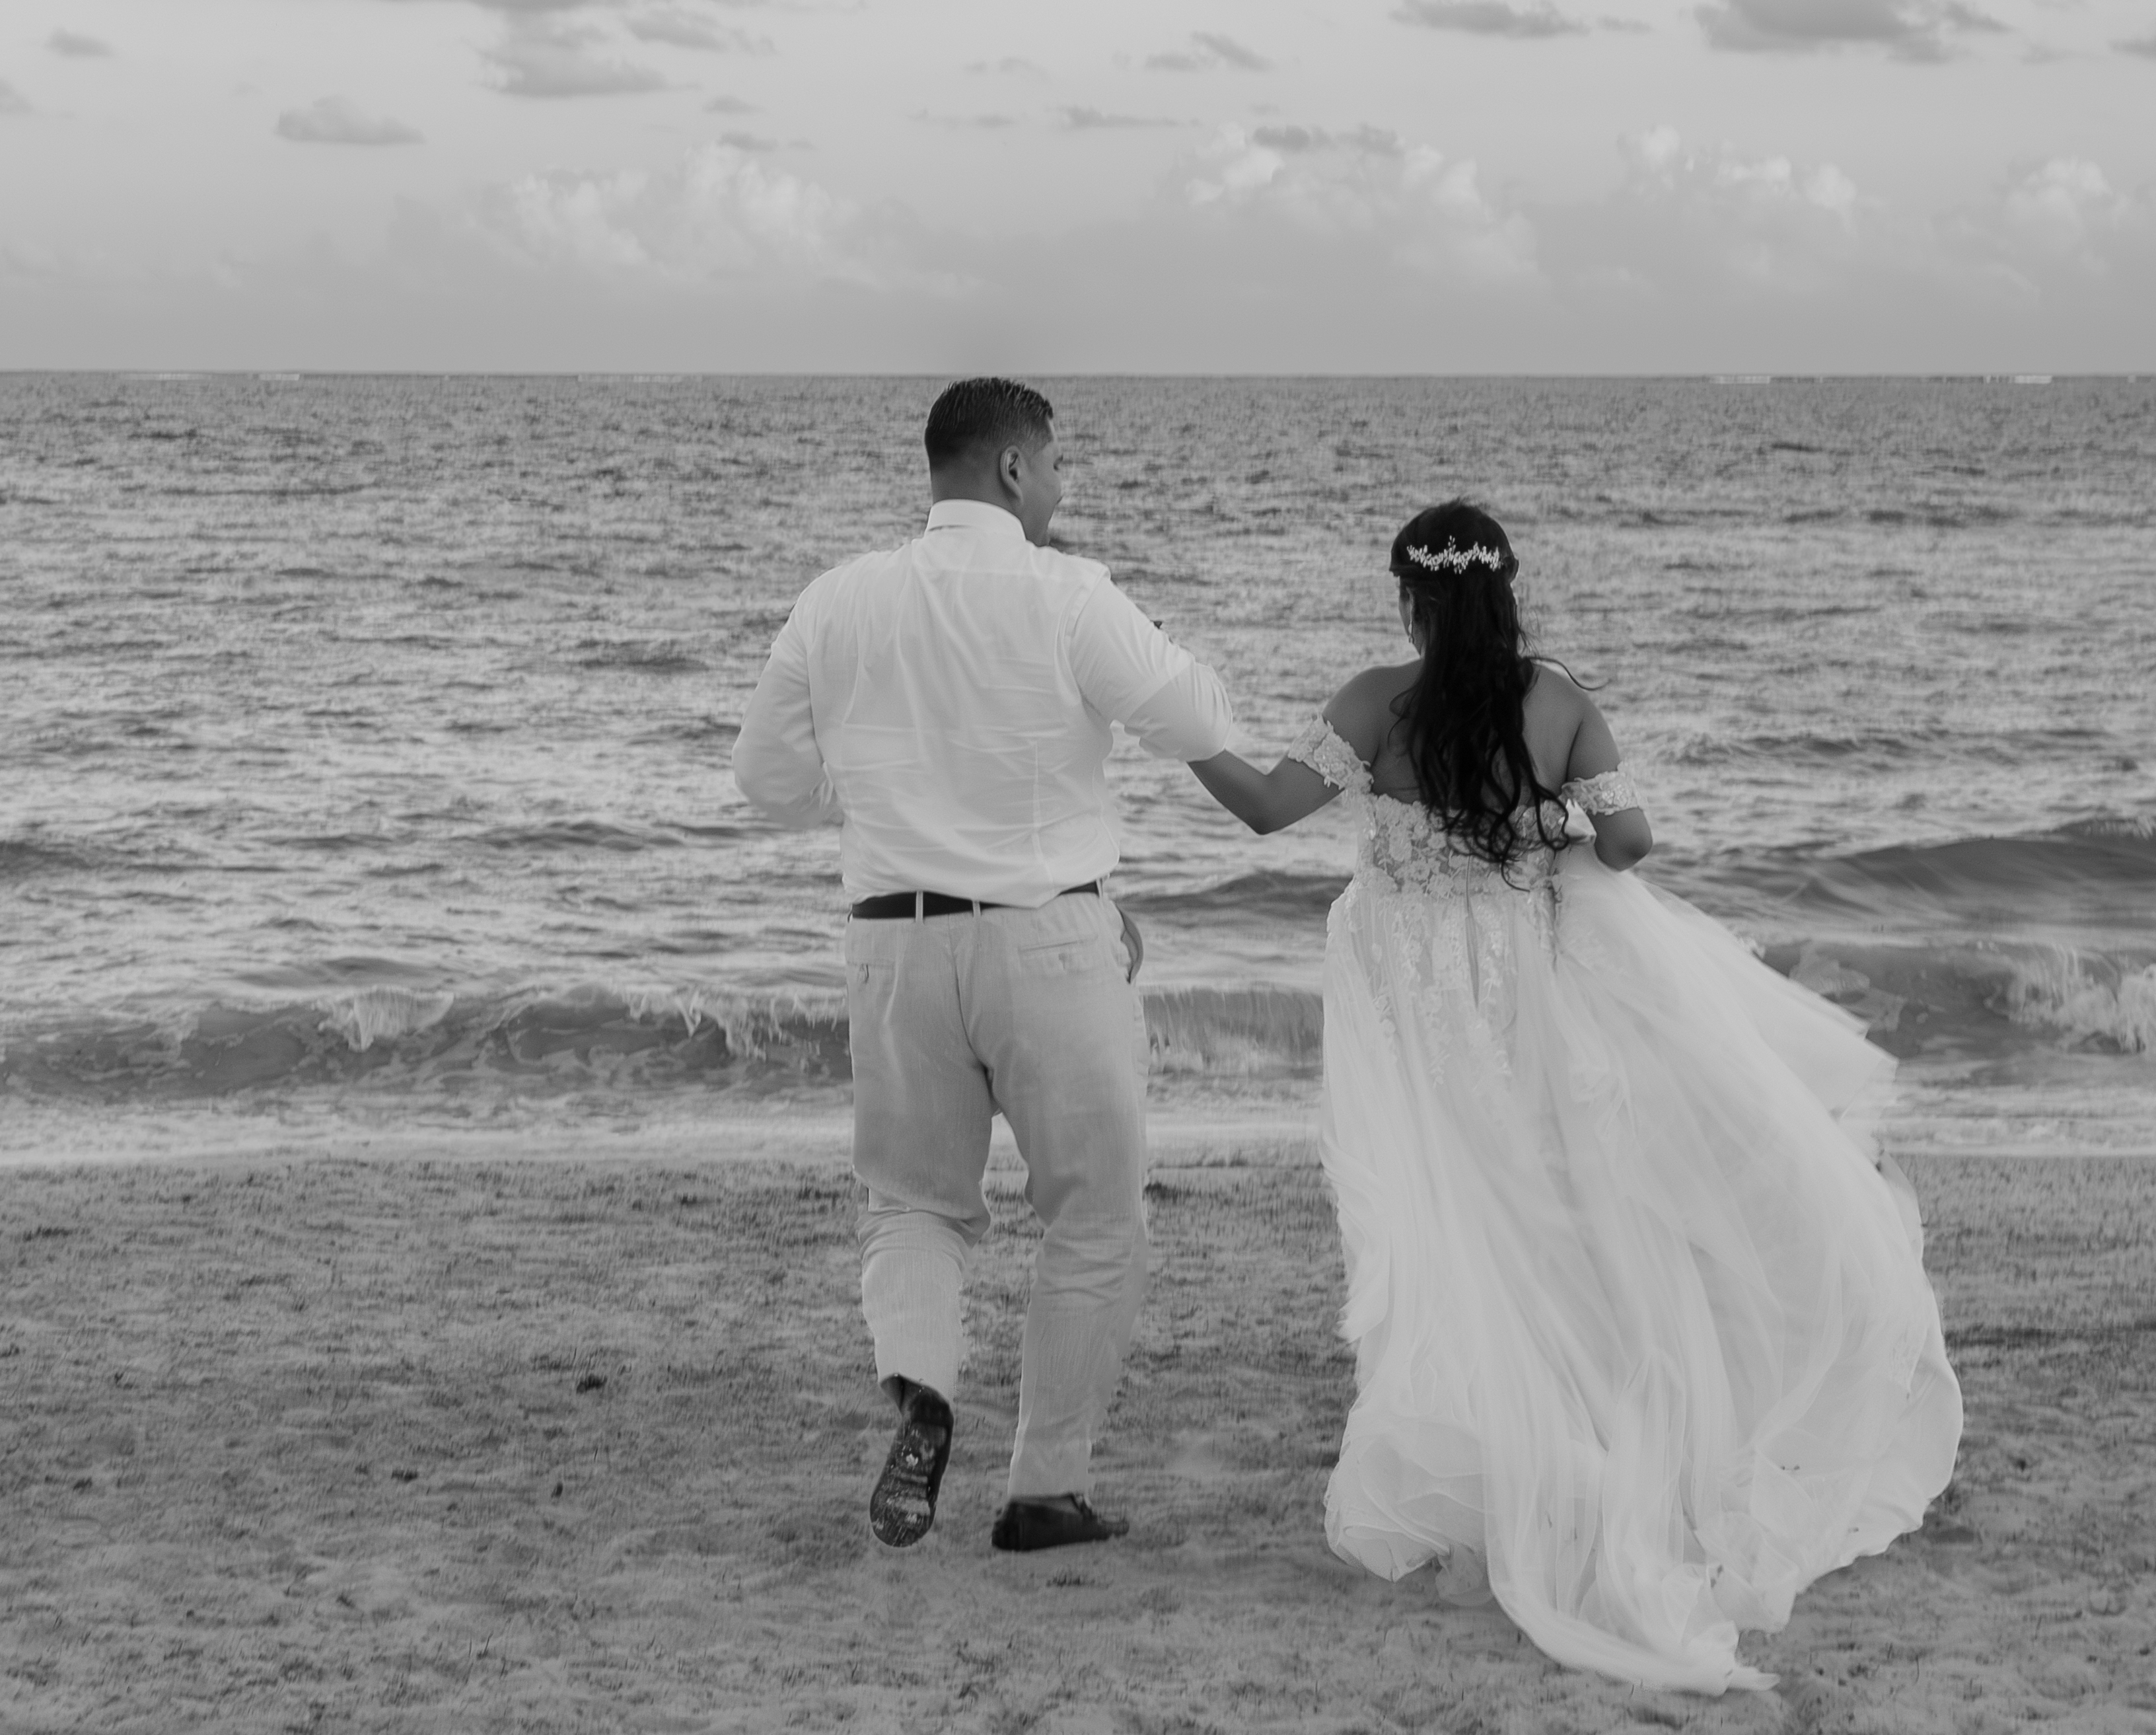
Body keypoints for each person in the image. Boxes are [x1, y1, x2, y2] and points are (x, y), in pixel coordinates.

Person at [1186, 500, 1961, 1693]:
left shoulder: (1368, 701)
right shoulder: (1556, 700)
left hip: (1407, 987)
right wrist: (1540, 818)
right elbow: (1631, 843)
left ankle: (1489, 1457)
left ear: (1412, 596)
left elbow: (1264, 806)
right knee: (1544, 1198)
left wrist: (1174, 721)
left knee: (1448, 1212)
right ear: (1506, 590)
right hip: (1517, 981)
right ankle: (1586, 1444)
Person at [732, 378, 1236, 1553]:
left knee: (911, 1205)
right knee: (1093, 1215)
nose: (1062, 492)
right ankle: (1044, 1490)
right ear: (1013, 469)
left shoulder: (835, 598)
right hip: (1050, 937)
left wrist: (878, 803)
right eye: (1056, 468)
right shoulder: (1066, 591)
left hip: (893, 937)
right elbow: (1198, 717)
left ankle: (922, 1387)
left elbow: (762, 781)